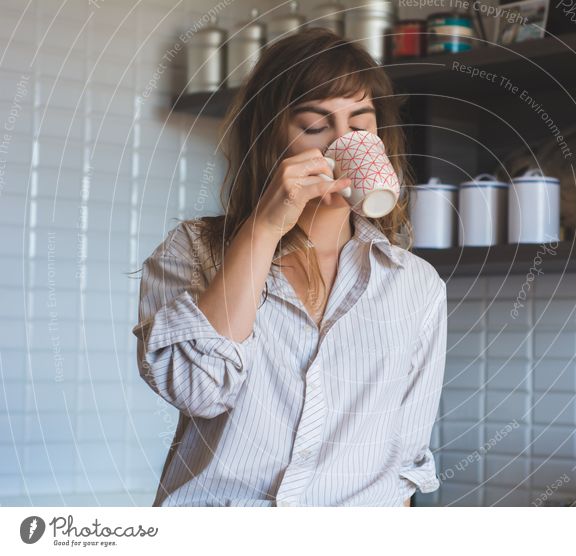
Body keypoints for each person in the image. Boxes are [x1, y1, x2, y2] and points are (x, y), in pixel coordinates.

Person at [132, 28, 447, 506]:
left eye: (361, 124)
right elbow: (197, 389)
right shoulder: (194, 251)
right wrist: (262, 229)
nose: (345, 141)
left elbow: (401, 467)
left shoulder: (415, 286)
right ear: (268, 139)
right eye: (317, 126)